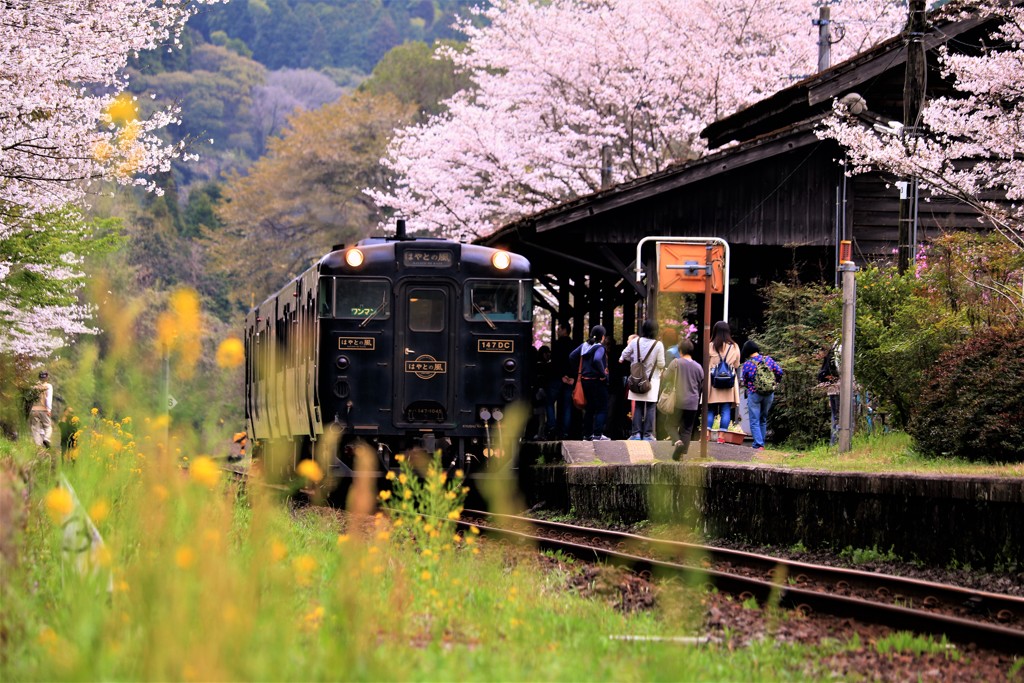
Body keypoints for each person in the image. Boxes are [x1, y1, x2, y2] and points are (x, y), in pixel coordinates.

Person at [619, 320, 666, 441]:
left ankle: (636, 434)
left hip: (636, 378)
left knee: (638, 405)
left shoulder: (635, 341)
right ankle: (647, 435)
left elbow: (624, 354)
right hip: (652, 380)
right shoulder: (658, 345)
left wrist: (635, 361)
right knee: (650, 406)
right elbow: (661, 363)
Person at [567, 325, 610, 441]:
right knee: (602, 408)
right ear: (602, 336)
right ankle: (597, 435)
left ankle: (587, 435)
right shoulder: (600, 347)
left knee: (589, 408)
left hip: (585, 381)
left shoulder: (584, 346)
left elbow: (571, 356)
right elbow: (597, 359)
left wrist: (579, 371)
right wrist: (603, 374)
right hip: (597, 381)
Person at [740, 340, 783, 451]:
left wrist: (750, 386)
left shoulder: (748, 364)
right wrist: (775, 382)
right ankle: (761, 443)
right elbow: (779, 372)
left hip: (754, 393)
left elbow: (745, 380)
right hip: (769, 393)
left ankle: (759, 444)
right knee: (763, 419)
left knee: (754, 420)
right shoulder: (768, 360)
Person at [664, 339, 704, 460]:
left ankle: (677, 442)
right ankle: (681, 455)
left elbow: (666, 378)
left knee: (670, 424)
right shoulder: (698, 367)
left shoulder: (675, 363)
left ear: (680, 351)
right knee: (687, 429)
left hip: (677, 401)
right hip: (692, 402)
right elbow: (701, 385)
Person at [706, 321, 741, 442]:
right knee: (726, 409)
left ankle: (706, 434)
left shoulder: (710, 346)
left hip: (713, 382)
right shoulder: (734, 347)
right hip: (728, 382)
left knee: (710, 409)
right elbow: (737, 364)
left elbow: (705, 364)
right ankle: (721, 437)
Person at [546, 321, 575, 439]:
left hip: (558, 378)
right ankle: (565, 432)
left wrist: (562, 375)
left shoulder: (557, 344)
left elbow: (556, 362)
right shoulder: (574, 344)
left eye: (559, 329)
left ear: (564, 330)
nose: (557, 331)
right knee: (567, 406)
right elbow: (575, 362)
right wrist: (572, 377)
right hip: (570, 380)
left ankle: (552, 426)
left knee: (549, 402)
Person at [29, 370, 54, 448]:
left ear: (39, 377)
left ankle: (38, 446)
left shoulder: (33, 387)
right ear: (47, 377)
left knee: (35, 428)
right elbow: (48, 399)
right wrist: (49, 410)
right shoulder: (48, 386)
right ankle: (46, 439)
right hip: (43, 409)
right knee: (48, 426)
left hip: (33, 409)